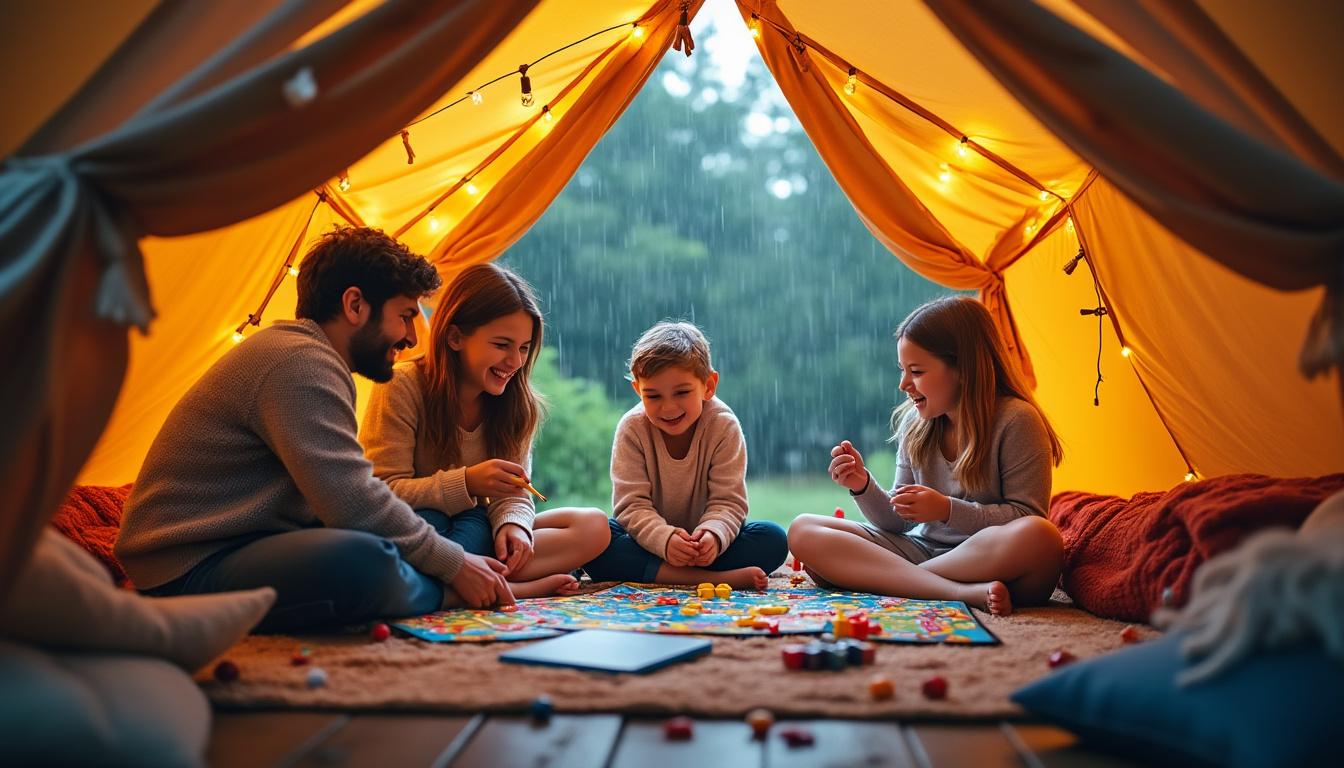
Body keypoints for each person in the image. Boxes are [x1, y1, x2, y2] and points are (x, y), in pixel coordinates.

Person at [115, 227, 514, 632]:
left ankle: (449, 580)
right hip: (187, 568)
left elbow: (347, 502)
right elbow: (352, 501)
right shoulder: (299, 364)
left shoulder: (310, 358)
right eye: (406, 316)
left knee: (421, 522)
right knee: (361, 561)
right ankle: (451, 592)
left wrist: (446, 554)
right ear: (355, 304)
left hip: (250, 546)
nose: (412, 338)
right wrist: (453, 564)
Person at [788, 296, 1065, 616]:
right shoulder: (915, 422)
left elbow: (1024, 516)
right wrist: (862, 486)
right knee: (802, 529)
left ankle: (888, 580)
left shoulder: (1017, 420)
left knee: (1041, 537)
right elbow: (898, 522)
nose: (904, 383)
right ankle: (951, 592)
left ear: (963, 368)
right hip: (920, 552)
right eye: (903, 370)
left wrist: (947, 509)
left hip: (992, 560)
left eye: (916, 371)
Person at [359, 263, 610, 598]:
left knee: (594, 527)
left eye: (523, 347)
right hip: (420, 532)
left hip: (480, 534)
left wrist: (513, 526)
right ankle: (505, 586)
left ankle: (471, 582)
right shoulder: (402, 386)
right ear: (455, 337)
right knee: (436, 523)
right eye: (502, 344)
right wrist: (467, 482)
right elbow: (382, 492)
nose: (516, 361)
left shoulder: (517, 404)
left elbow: (515, 493)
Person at [584, 321, 788, 589]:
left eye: (682, 392)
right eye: (653, 396)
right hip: (650, 546)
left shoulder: (723, 425)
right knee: (597, 539)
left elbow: (728, 502)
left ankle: (667, 574)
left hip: (707, 550)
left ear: (709, 385)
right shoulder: (632, 428)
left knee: (772, 539)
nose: (668, 407)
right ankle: (713, 579)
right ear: (637, 389)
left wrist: (713, 536)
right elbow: (631, 506)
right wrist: (665, 540)